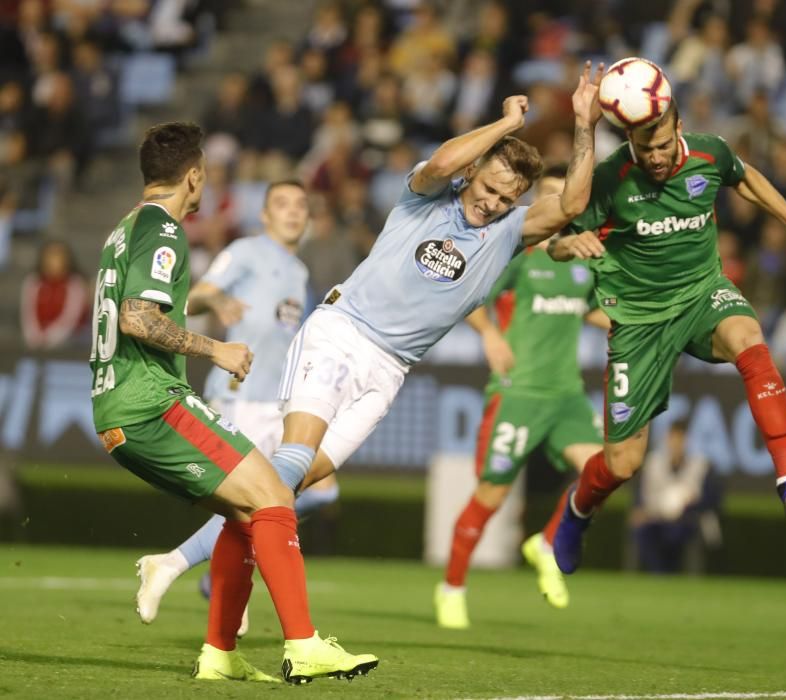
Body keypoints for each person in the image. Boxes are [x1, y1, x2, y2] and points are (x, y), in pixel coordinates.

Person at [267, 63, 606, 591]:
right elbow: (446, 159)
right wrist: (503, 127)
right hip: (343, 330)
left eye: (505, 197)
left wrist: (586, 124)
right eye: (489, 187)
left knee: (301, 478)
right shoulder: (424, 198)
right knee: (293, 463)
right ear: (474, 173)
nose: (492, 203)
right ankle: (209, 572)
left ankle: (195, 550)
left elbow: (573, 205)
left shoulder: (509, 232)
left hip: (391, 368)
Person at [89, 122, 376, 684]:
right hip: (150, 403)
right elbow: (137, 317)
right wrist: (213, 346)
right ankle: (302, 644)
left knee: (247, 512)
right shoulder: (163, 231)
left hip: (122, 408)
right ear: (194, 176)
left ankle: (219, 653)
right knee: (274, 495)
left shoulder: (125, 229)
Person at [547, 98, 786, 575]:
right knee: (622, 464)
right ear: (630, 142)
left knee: (750, 338)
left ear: (680, 128)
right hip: (639, 322)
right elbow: (555, 240)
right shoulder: (610, 178)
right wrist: (572, 243)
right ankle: (578, 510)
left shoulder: (709, 154)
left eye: (664, 144)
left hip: (701, 296)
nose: (656, 156)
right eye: (645, 147)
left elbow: (745, 174)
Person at [134, 180, 340, 638]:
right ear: (264, 215)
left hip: (277, 402)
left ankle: (201, 571)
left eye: (301, 205)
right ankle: (184, 567)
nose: (292, 212)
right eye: (282, 204)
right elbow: (195, 294)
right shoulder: (247, 251)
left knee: (313, 491)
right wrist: (217, 300)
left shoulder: (299, 271)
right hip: (239, 396)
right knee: (259, 499)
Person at [435, 164, 608, 629]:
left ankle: (547, 541)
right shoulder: (521, 254)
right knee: (490, 496)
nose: (555, 205)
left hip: (566, 394)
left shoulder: (582, 260)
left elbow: (593, 312)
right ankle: (452, 587)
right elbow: (467, 291)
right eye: (547, 196)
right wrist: (490, 334)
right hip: (520, 393)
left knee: (603, 471)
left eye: (562, 197)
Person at [631, 421, 718, 574]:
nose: (677, 444)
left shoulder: (700, 465)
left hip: (686, 519)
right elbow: (640, 494)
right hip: (655, 517)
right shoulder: (654, 462)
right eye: (673, 438)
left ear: (687, 440)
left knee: (675, 533)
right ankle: (658, 574)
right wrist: (640, 509)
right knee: (644, 531)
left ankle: (671, 571)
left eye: (681, 439)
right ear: (667, 439)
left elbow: (712, 498)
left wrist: (690, 505)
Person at [21, 240, 89, 349]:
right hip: (37, 342)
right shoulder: (33, 282)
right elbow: (28, 314)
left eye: (58, 257)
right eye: (49, 256)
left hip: (70, 342)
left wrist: (51, 338)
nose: (53, 261)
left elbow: (70, 317)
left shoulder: (75, 284)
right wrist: (34, 336)